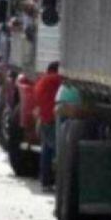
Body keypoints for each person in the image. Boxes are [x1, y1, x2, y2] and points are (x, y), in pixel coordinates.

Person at [32, 61, 63, 189]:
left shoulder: (42, 81)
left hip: (44, 119)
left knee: (46, 151)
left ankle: (45, 180)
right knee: (56, 151)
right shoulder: (55, 79)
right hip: (53, 119)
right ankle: (55, 180)